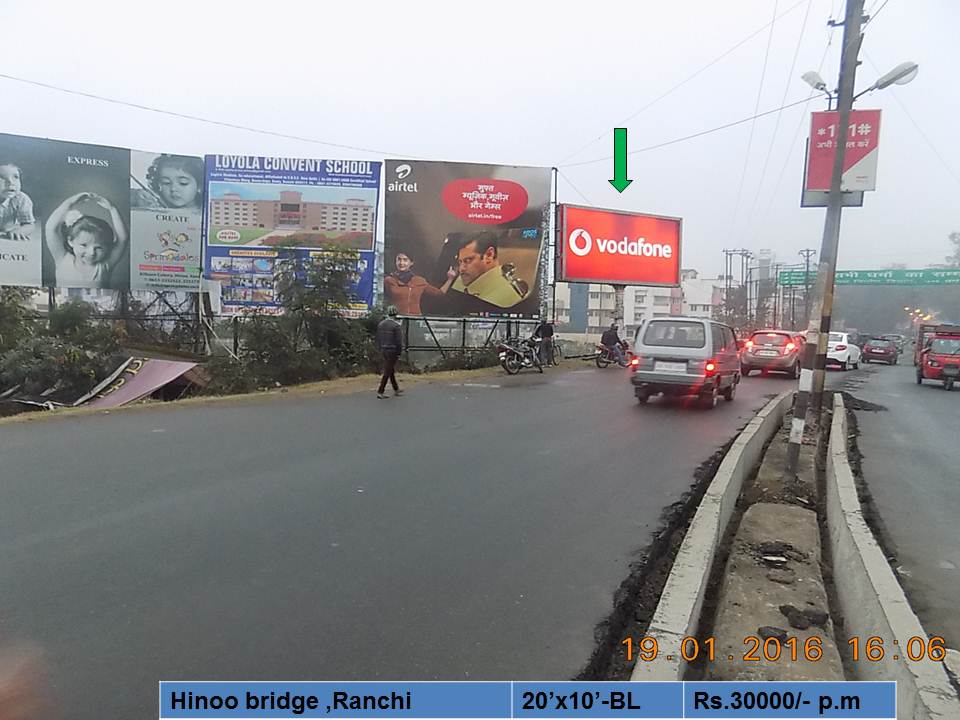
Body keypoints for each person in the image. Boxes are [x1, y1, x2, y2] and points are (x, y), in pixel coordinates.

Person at [44, 192, 128, 288]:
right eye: (84, 245)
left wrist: (112, 209)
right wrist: (69, 203)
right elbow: (50, 229)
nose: (91, 252)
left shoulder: (105, 266)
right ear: (70, 241)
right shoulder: (62, 258)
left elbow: (123, 239)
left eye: (98, 247)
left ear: (107, 247)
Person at [384, 251, 456, 315]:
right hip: (396, 319)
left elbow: (439, 293)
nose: (401, 263)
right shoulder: (389, 280)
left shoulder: (419, 281)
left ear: (411, 263)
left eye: (405, 260)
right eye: (399, 259)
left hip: (415, 320)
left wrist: (450, 279)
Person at [133, 154, 204, 210]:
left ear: (199, 185)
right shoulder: (154, 204)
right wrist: (137, 195)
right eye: (166, 183)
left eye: (183, 183)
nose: (173, 189)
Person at [0, 162, 36, 241]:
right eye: (1, 177)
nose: (10, 182)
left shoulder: (21, 199)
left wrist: (21, 231)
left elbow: (29, 224)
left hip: (6, 231)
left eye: (15, 177)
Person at [376, 305, 404, 399]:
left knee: (390, 369)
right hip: (393, 350)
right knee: (388, 371)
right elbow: (398, 341)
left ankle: (396, 389)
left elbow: (379, 338)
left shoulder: (381, 324)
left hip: (384, 349)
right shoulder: (396, 326)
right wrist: (399, 352)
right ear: (396, 314)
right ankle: (381, 391)